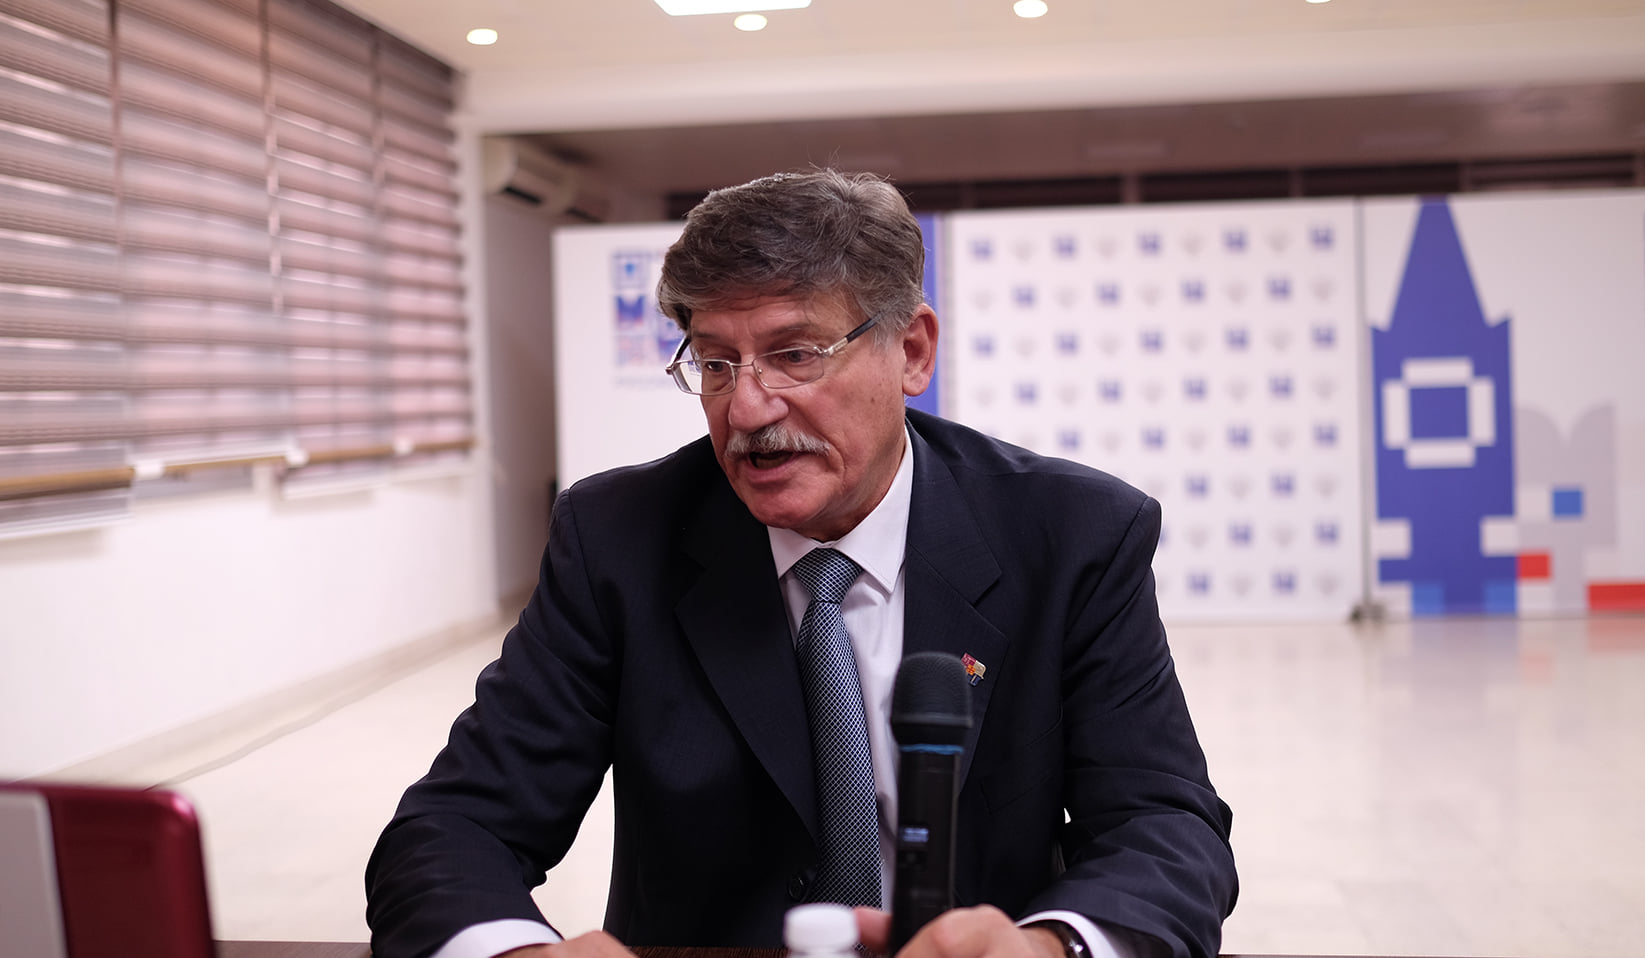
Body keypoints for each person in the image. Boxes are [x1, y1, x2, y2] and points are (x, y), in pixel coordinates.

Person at [365, 170, 1237, 958]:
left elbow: (1163, 827)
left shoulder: (1074, 533)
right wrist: (517, 955)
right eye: (715, 362)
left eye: (794, 354)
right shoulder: (618, 537)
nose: (747, 408)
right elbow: (454, 827)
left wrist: (1051, 950)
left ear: (913, 352)